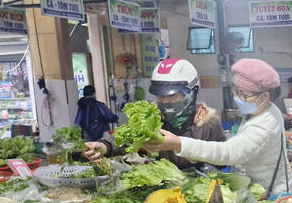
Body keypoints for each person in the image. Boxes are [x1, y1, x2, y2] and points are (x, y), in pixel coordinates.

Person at [140, 58, 292, 196]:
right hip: (255, 190)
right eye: (237, 92)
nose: (238, 99)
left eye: (244, 95)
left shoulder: (264, 123)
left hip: (272, 195)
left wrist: (179, 144)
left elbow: (230, 153)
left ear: (265, 96)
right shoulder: (262, 109)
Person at [83, 59, 226, 169]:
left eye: (172, 96)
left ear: (191, 93)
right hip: (162, 191)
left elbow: (223, 161)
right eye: (161, 96)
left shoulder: (208, 123)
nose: (165, 102)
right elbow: (125, 139)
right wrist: (104, 146)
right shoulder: (152, 118)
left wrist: (185, 149)